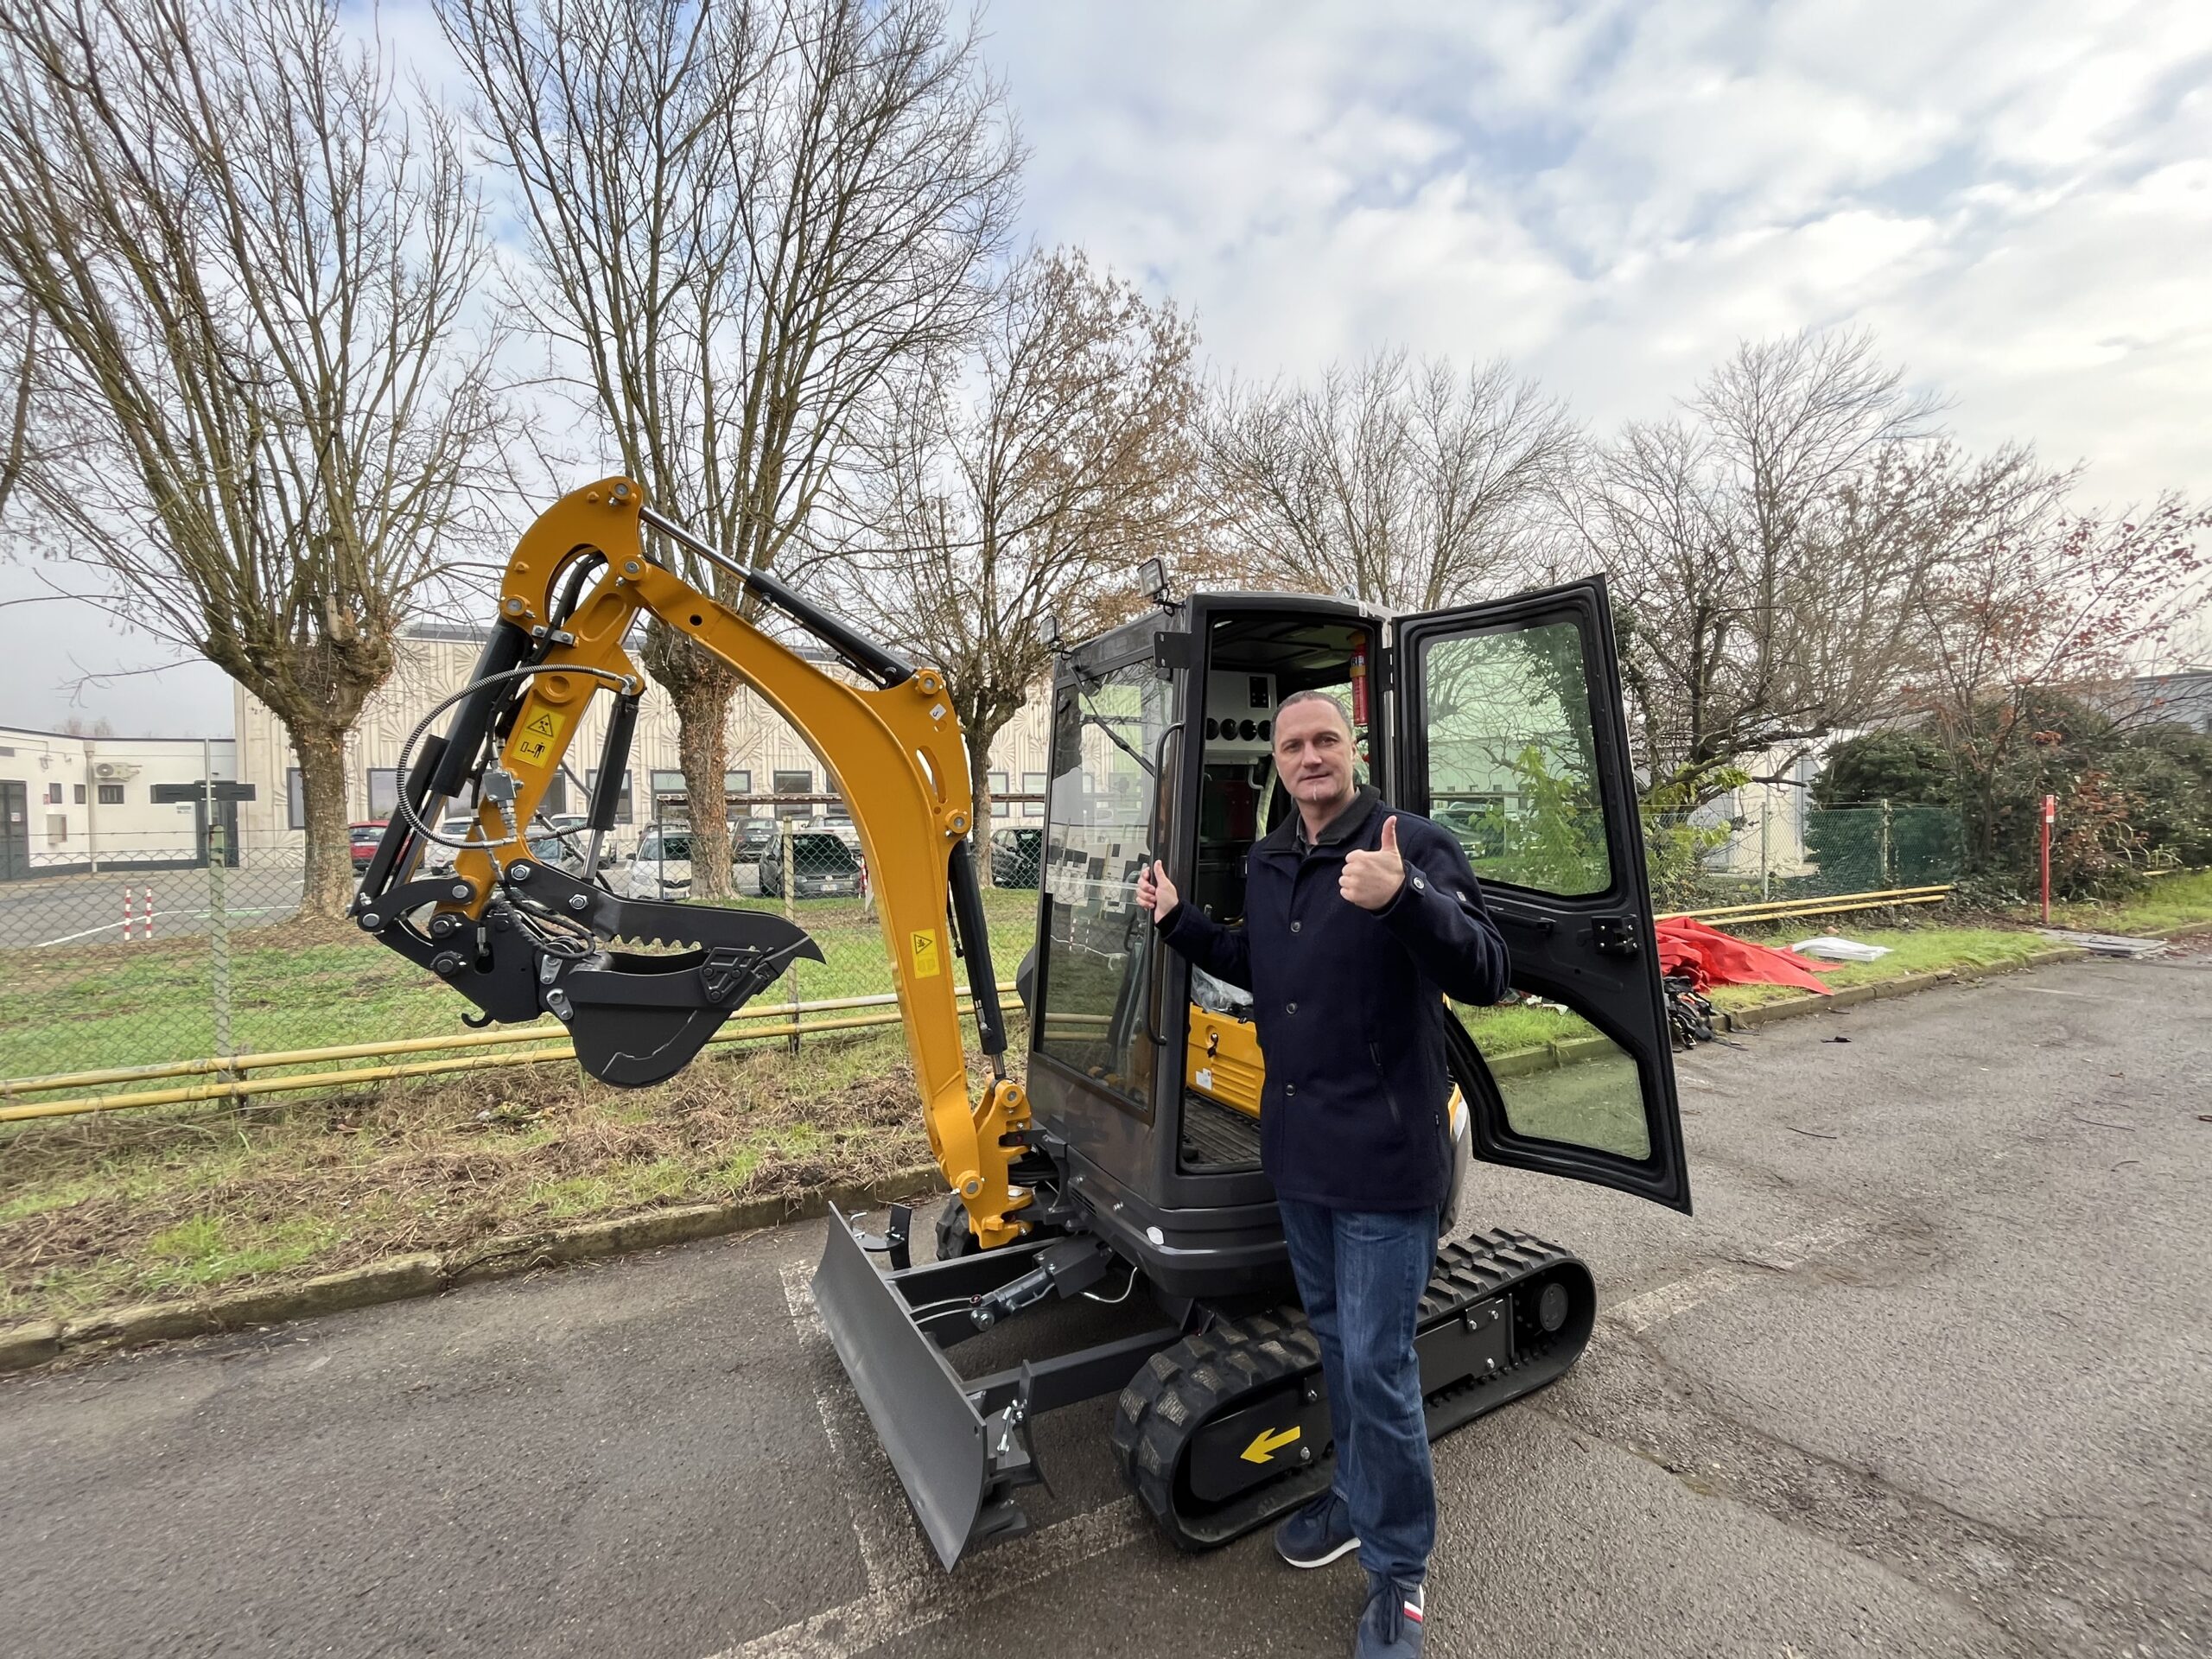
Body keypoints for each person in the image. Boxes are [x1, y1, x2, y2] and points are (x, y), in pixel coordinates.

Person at [1135, 688, 1509, 1659]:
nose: (1309, 756)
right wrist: (1180, 924)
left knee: (1379, 1370)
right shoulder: (1269, 858)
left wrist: (1407, 901)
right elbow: (1265, 966)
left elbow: (1487, 970)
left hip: (1388, 1161)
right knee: (1339, 1345)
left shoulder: (1408, 845)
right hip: (1299, 1155)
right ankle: (1350, 1498)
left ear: (1353, 748)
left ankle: (1398, 1573)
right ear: (1277, 763)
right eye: (1292, 745)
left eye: (1323, 740)